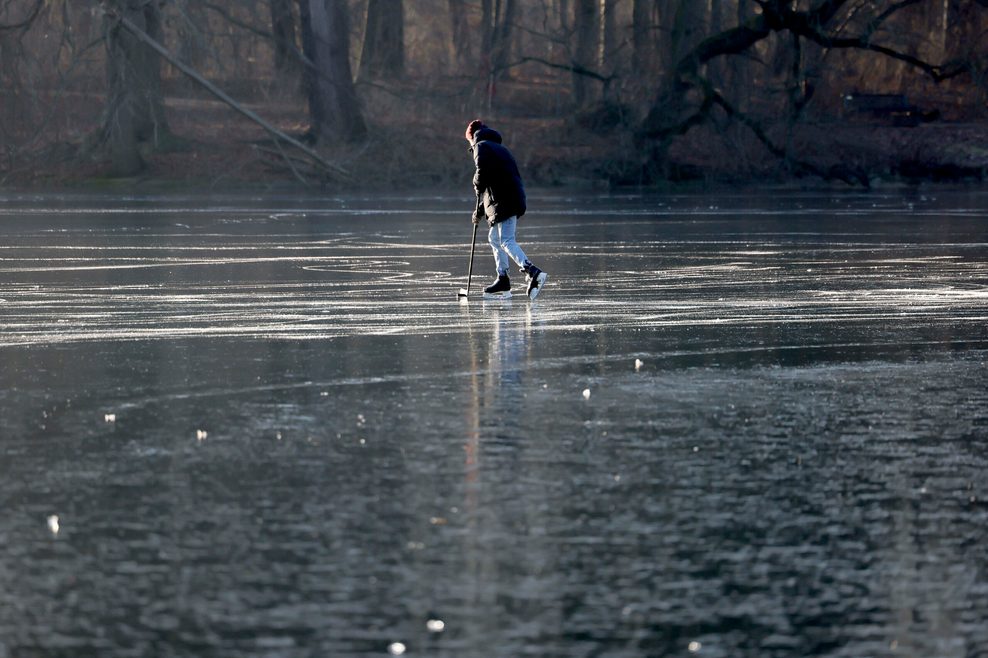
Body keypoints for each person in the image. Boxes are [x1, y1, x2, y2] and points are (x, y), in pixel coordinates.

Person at [465, 119, 548, 300]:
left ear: (471, 136)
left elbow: (482, 173)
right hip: (507, 199)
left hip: (506, 201)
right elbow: (493, 185)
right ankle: (503, 279)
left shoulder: (481, 146)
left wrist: (476, 183)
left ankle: (533, 272)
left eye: (469, 141)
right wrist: (479, 212)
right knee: (494, 238)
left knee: (506, 241)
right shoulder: (499, 149)